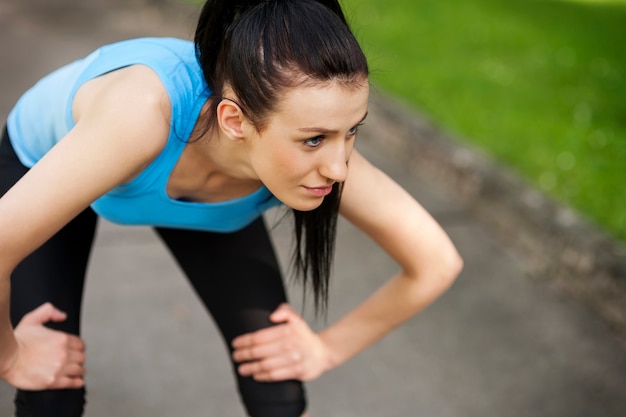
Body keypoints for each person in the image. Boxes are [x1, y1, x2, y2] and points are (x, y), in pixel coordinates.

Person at [0, 0, 463, 416]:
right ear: (234, 120)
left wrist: (326, 350)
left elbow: (435, 262)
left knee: (278, 386)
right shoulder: (140, 117)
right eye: (314, 139)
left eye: (351, 131)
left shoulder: (317, 154)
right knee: (50, 394)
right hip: (49, 160)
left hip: (197, 183)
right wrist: (11, 357)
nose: (339, 168)